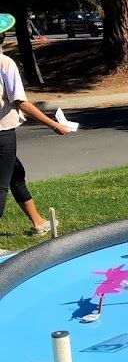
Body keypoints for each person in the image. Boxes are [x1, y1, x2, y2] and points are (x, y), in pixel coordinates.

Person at [0, 15, 70, 251]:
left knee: (15, 174)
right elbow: (20, 102)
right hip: (2, 133)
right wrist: (54, 125)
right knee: (1, 184)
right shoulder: (5, 63)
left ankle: (39, 222)